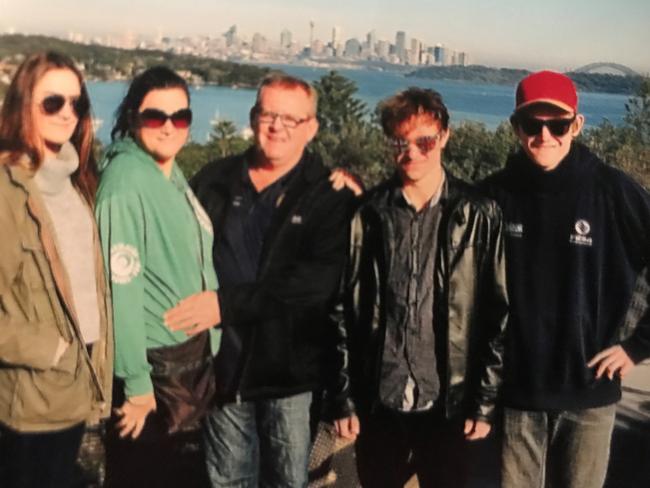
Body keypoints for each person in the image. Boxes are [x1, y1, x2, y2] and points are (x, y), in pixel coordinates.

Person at [329, 87, 509, 488]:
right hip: (381, 398)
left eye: (424, 141)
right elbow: (341, 311)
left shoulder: (478, 213)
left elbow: (498, 315)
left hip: (449, 403)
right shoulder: (366, 214)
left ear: (444, 136)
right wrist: (343, 398)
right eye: (400, 142)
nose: (412, 153)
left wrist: (483, 403)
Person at [482, 70, 650, 488]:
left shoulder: (613, 192)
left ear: (576, 125)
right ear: (515, 127)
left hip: (590, 393)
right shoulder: (494, 196)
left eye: (557, 124)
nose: (544, 135)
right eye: (532, 124)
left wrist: (637, 346)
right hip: (517, 394)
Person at [189, 73, 355, 488]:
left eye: (291, 119)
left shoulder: (329, 194)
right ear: (252, 117)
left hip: (290, 377)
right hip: (222, 369)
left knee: (288, 481)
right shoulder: (215, 180)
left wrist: (225, 305)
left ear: (311, 128)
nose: (277, 126)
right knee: (227, 481)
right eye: (267, 114)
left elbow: (315, 284)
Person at [95, 66, 221, 488]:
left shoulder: (167, 171)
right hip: (158, 371)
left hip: (187, 362)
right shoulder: (125, 183)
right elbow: (119, 293)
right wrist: (136, 385)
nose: (169, 127)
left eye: (180, 117)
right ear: (133, 116)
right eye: (155, 116)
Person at [0, 51, 113, 488]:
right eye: (53, 103)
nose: (67, 113)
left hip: (75, 392)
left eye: (77, 103)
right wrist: (51, 350)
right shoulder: (9, 191)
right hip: (30, 406)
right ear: (23, 104)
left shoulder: (76, 181)